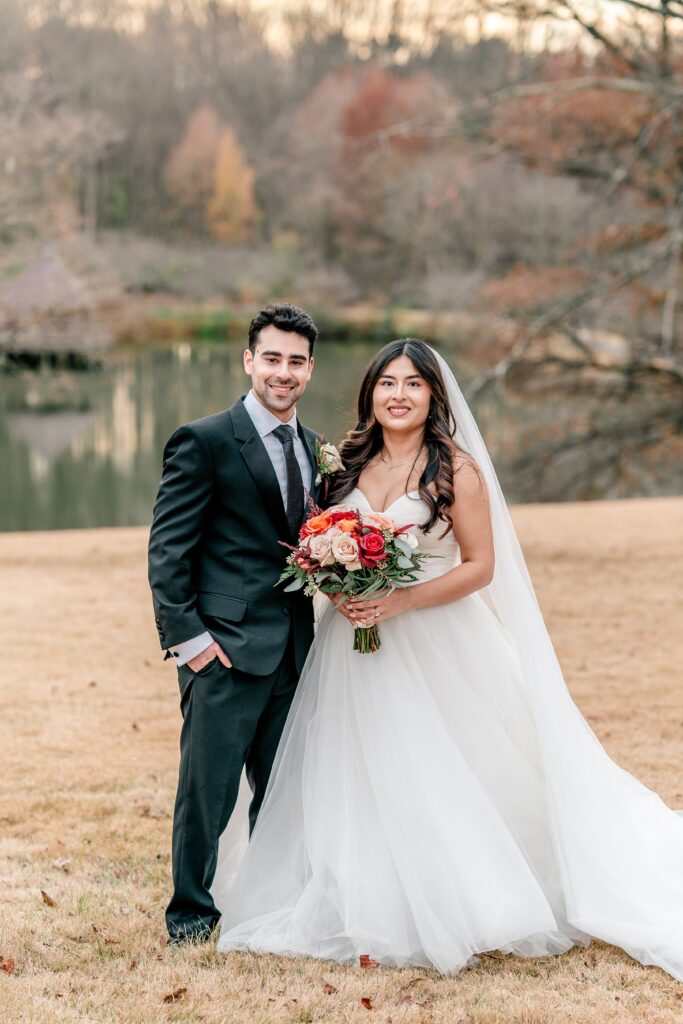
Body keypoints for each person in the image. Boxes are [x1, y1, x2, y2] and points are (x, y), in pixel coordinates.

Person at [214, 338, 683, 980]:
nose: (398, 394)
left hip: (437, 638)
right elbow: (314, 545)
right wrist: (336, 589)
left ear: (433, 394)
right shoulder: (342, 462)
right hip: (348, 645)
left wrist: (401, 602)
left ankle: (471, 890)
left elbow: (481, 567)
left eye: (413, 383)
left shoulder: (453, 468)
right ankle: (358, 891)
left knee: (446, 766)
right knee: (357, 766)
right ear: (369, 391)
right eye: (387, 382)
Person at [148, 303, 323, 944]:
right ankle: (191, 915)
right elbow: (168, 552)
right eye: (271, 358)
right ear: (249, 360)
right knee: (207, 796)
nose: (283, 372)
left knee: (281, 796)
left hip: (293, 655)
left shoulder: (313, 449)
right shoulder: (205, 440)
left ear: (310, 369)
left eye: (295, 361)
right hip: (221, 650)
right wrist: (191, 642)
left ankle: (271, 909)